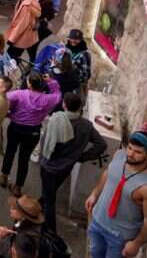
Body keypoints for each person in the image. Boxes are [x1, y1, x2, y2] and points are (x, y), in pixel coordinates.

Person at [85, 132, 147, 258]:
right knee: (94, 254)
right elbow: (108, 173)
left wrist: (136, 243)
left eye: (137, 152)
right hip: (97, 222)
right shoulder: (119, 155)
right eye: (130, 148)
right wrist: (94, 194)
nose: (130, 154)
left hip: (119, 237)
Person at [39, 91, 106, 232]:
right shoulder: (86, 126)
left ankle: (50, 231)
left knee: (50, 202)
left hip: (50, 166)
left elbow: (47, 144)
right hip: (66, 166)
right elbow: (101, 145)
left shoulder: (56, 120)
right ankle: (41, 201)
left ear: (64, 104)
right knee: (50, 190)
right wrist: (81, 157)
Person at [0, 73, 61, 196]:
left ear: (29, 84)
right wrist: (52, 82)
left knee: (10, 151)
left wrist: (8, 113)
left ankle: (4, 176)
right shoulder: (48, 99)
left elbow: (3, 99)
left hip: (16, 127)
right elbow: (58, 96)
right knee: (24, 159)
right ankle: (18, 187)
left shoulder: (19, 94)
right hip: (33, 131)